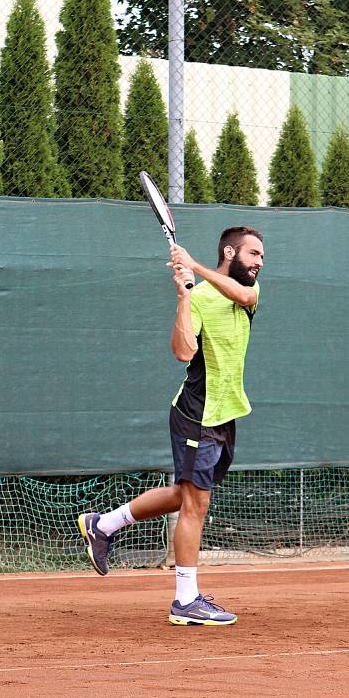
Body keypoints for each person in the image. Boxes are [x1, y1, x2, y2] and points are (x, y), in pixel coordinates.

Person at [78, 226, 264, 626]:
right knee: (197, 503)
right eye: (253, 254)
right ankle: (185, 600)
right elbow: (183, 352)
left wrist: (195, 265)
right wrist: (184, 296)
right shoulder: (198, 297)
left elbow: (245, 295)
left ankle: (103, 524)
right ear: (230, 252)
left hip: (225, 413)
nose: (259, 262)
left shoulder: (248, 292)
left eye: (261, 256)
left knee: (186, 495)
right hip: (197, 412)